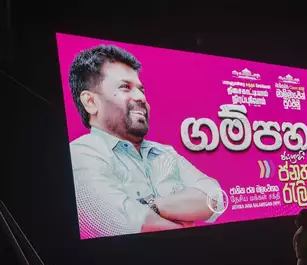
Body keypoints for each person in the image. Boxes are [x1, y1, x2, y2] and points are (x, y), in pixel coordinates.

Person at [68, 45, 223, 239]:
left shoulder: (166, 154)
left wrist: (152, 206)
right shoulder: (81, 154)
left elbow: (215, 199)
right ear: (91, 102)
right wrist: (184, 214)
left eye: (141, 90)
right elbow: (125, 224)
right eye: (125, 87)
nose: (141, 97)